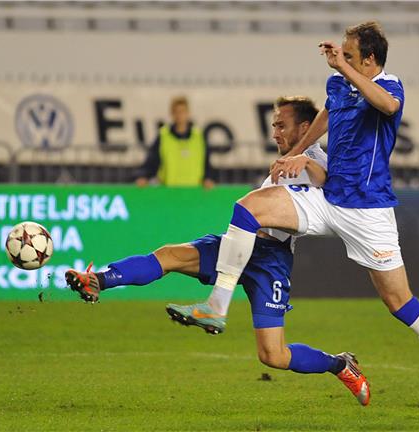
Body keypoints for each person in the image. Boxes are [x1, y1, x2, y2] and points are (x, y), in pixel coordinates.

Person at [170, 22, 419, 422]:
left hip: (369, 212)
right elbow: (326, 115)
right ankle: (216, 305)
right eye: (340, 53)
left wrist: (344, 69)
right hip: (329, 199)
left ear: (370, 60)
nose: (341, 58)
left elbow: (388, 108)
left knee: (400, 303)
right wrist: (299, 151)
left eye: (350, 54)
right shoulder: (340, 82)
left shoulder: (391, 87)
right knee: (249, 208)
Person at [66, 96, 370, 407]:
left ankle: (339, 364)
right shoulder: (284, 161)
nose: (274, 133)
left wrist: (303, 160)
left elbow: (325, 180)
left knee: (273, 355)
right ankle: (99, 281)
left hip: (271, 259)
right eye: (273, 125)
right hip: (239, 244)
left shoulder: (316, 157)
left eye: (281, 125)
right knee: (169, 255)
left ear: (306, 127)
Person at [135, 96, 215, 188]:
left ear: (188, 113)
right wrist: (144, 176)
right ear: (172, 114)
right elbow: (152, 160)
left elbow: (207, 163)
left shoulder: (199, 137)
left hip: (193, 191)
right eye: (176, 112)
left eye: (182, 111)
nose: (180, 115)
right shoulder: (164, 136)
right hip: (169, 191)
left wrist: (208, 178)